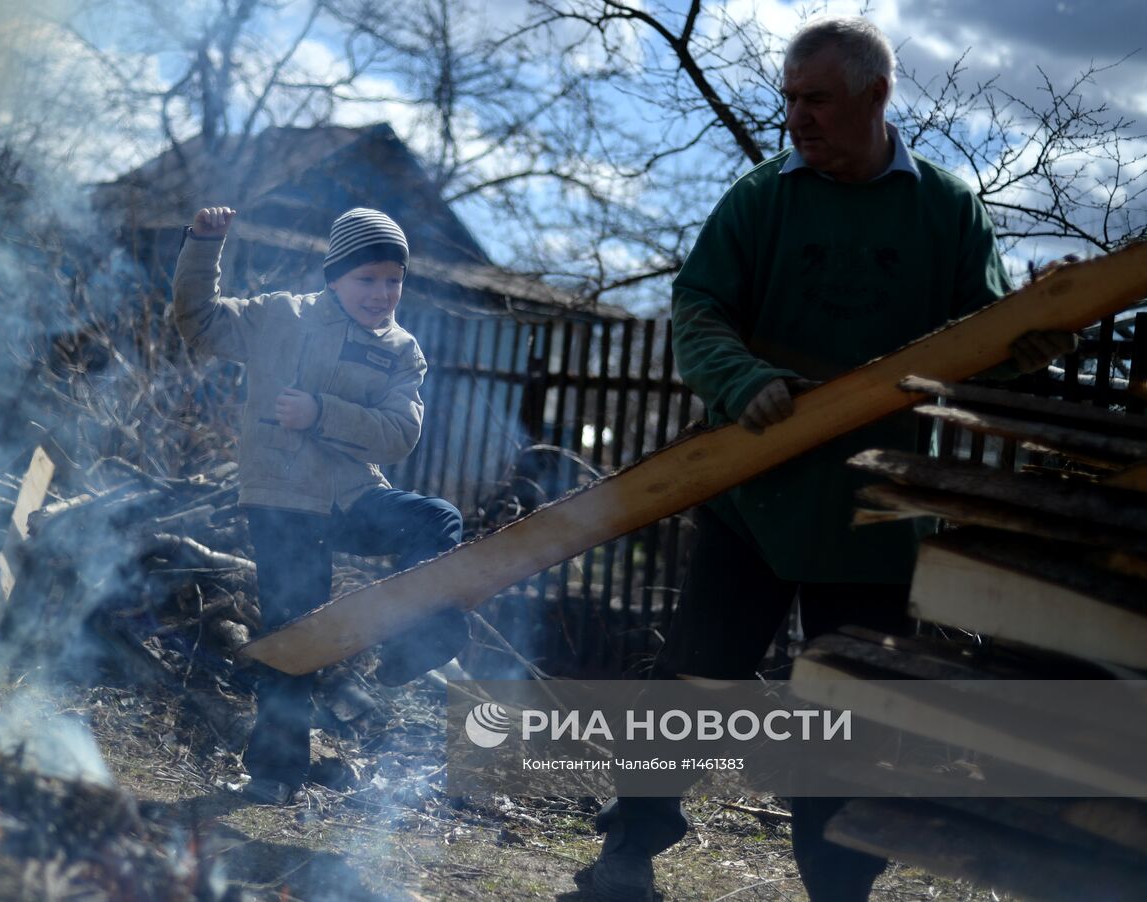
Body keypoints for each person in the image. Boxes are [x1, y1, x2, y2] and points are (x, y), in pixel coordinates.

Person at [590, 17, 1077, 902]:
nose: (796, 119)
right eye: (788, 99)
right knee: (695, 679)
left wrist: (1038, 325)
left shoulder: (944, 209)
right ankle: (631, 841)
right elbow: (697, 310)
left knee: (849, 716)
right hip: (751, 496)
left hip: (873, 515)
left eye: (816, 99)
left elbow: (988, 344)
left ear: (874, 96)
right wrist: (742, 381)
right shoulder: (761, 201)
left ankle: (841, 883)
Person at [173, 205, 469, 806]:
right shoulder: (279, 316)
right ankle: (274, 775)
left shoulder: (401, 350)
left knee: (439, 519)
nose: (382, 293)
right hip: (283, 501)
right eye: (367, 279)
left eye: (393, 280)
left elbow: (400, 435)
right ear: (335, 275)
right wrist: (204, 246)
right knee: (295, 636)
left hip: (357, 497)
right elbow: (199, 322)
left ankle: (418, 640)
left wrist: (321, 413)